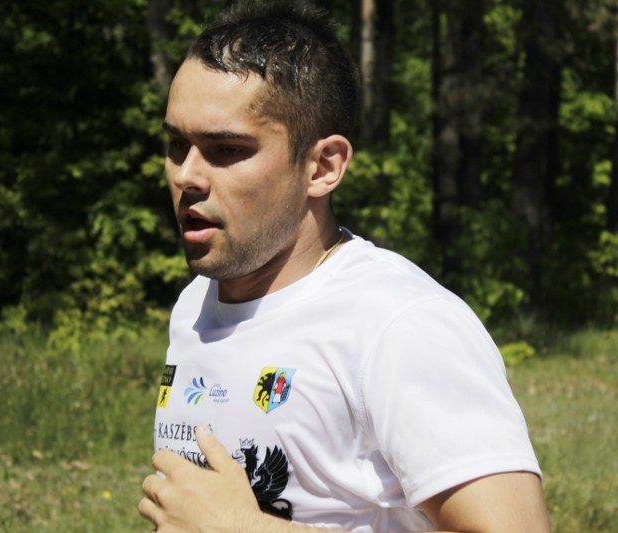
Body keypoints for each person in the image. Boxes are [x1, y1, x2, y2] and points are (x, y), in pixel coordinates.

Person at [138, 1, 550, 531]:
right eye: (177, 144)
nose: (186, 176)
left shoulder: (400, 324)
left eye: (226, 149)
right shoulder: (196, 302)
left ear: (322, 166)